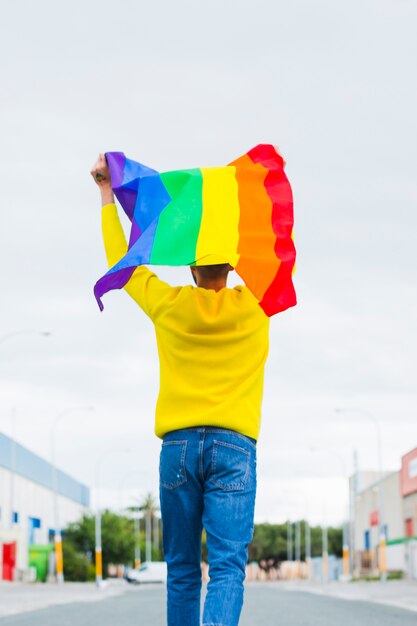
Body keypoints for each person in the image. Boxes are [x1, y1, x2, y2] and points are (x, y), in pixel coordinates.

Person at [91, 153, 270, 626]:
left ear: (190, 268)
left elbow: (121, 262)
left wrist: (108, 194)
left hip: (179, 448)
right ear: (233, 267)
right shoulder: (257, 309)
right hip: (235, 446)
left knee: (183, 570)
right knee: (228, 568)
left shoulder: (168, 305)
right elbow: (275, 248)